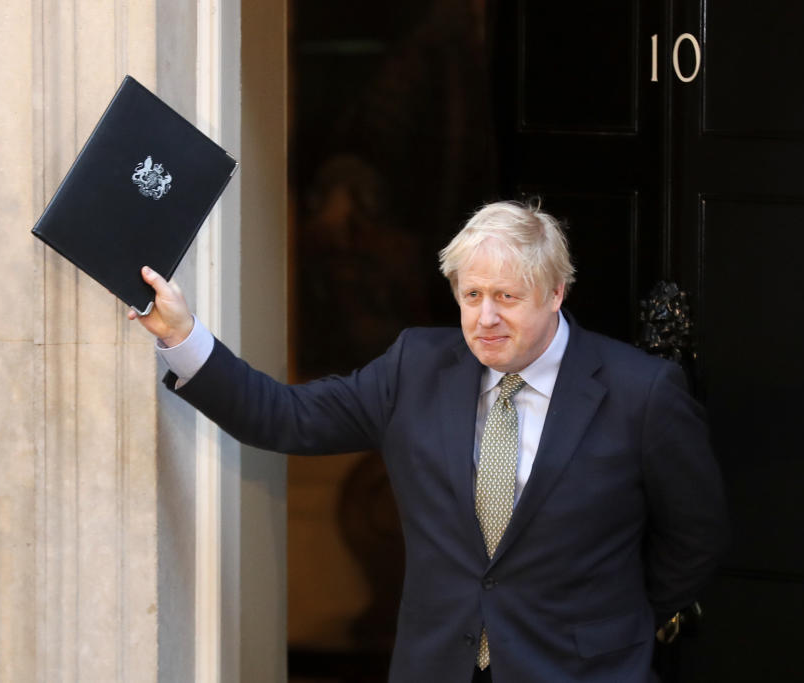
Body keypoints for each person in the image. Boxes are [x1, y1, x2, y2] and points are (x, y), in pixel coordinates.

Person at [129, 201, 729, 683]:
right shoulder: (415, 367)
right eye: (472, 296)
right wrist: (183, 336)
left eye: (507, 297)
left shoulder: (641, 392)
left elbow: (694, 536)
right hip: (439, 663)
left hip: (584, 667)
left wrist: (614, 616)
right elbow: (283, 417)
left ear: (555, 293)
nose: (485, 317)